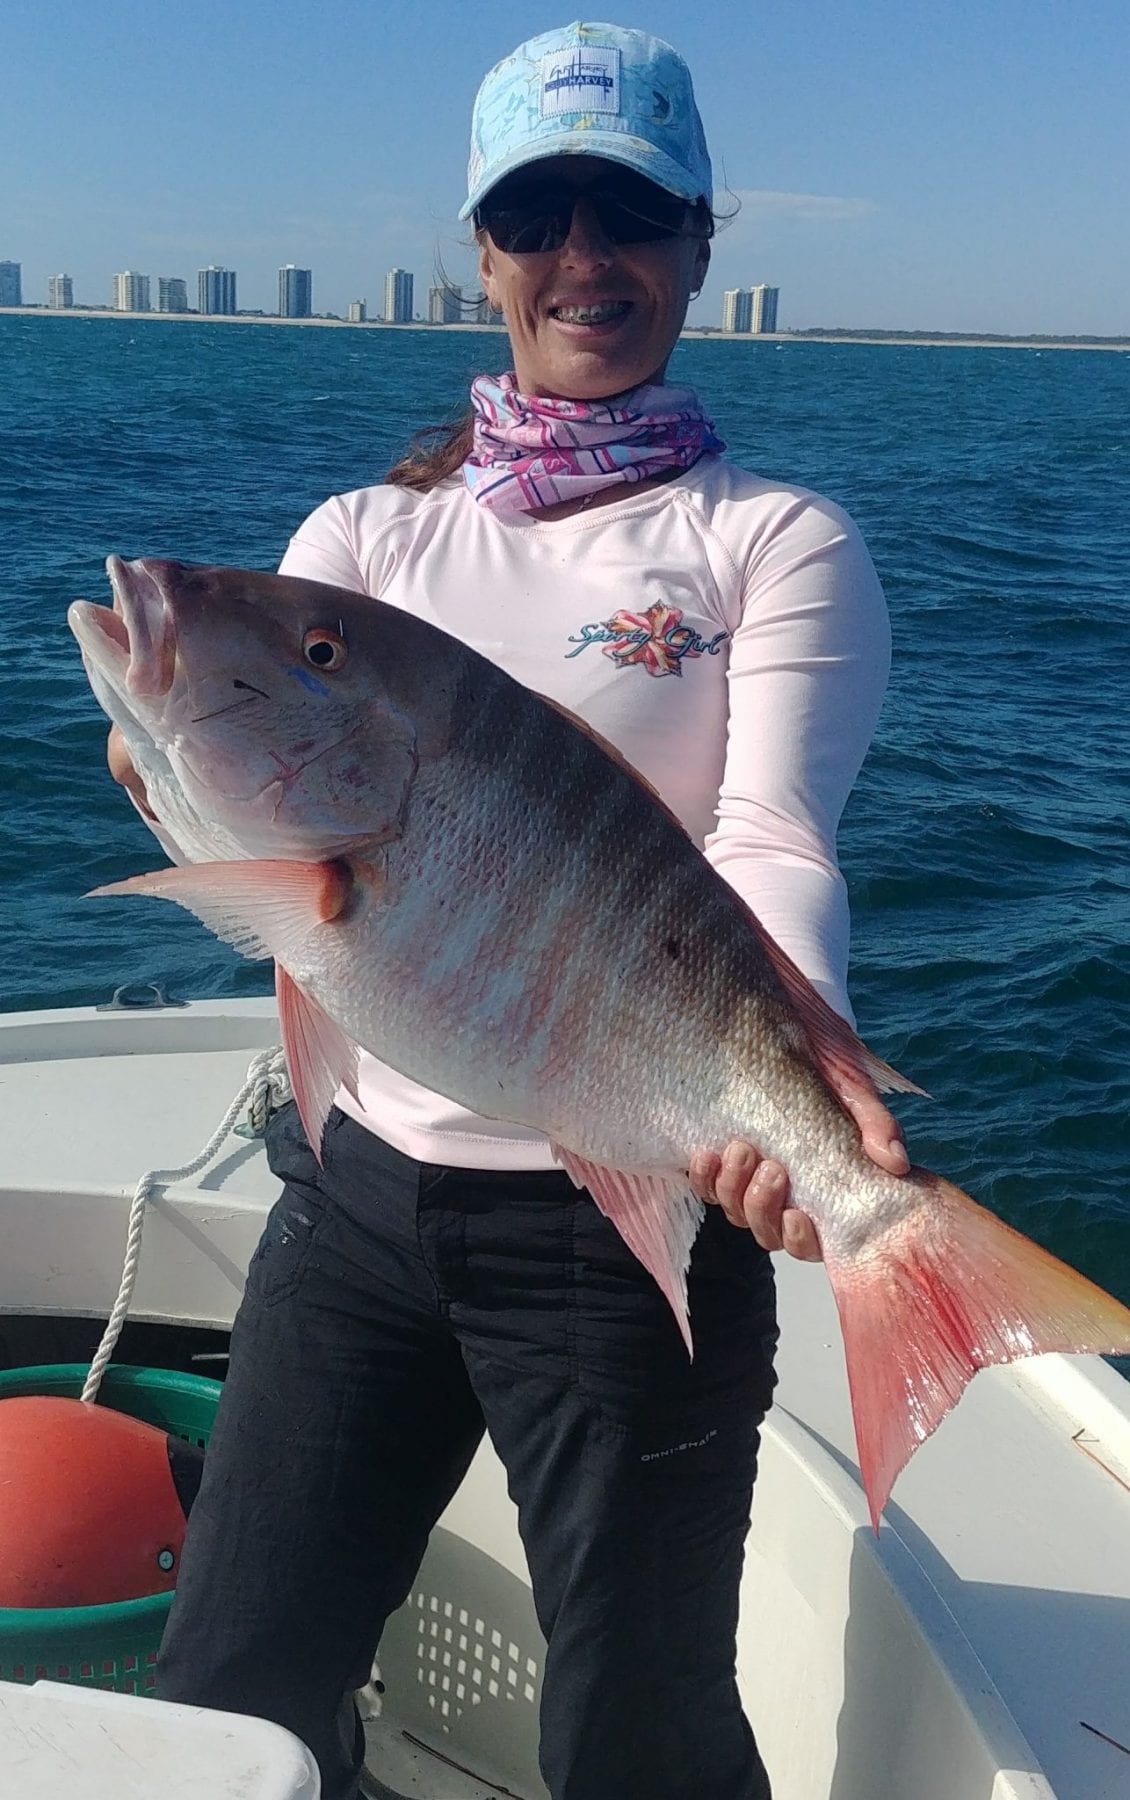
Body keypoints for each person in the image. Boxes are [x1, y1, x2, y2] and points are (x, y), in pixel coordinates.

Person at [113, 22, 907, 1800]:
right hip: (357, 1211)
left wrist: (807, 1090)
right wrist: (164, 770)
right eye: (535, 214)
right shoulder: (366, 544)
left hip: (614, 1240)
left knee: (639, 1733)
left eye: (626, 212)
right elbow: (290, 845)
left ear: (700, 243)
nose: (582, 258)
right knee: (229, 1687)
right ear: (479, 251)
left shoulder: (766, 541)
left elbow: (771, 835)